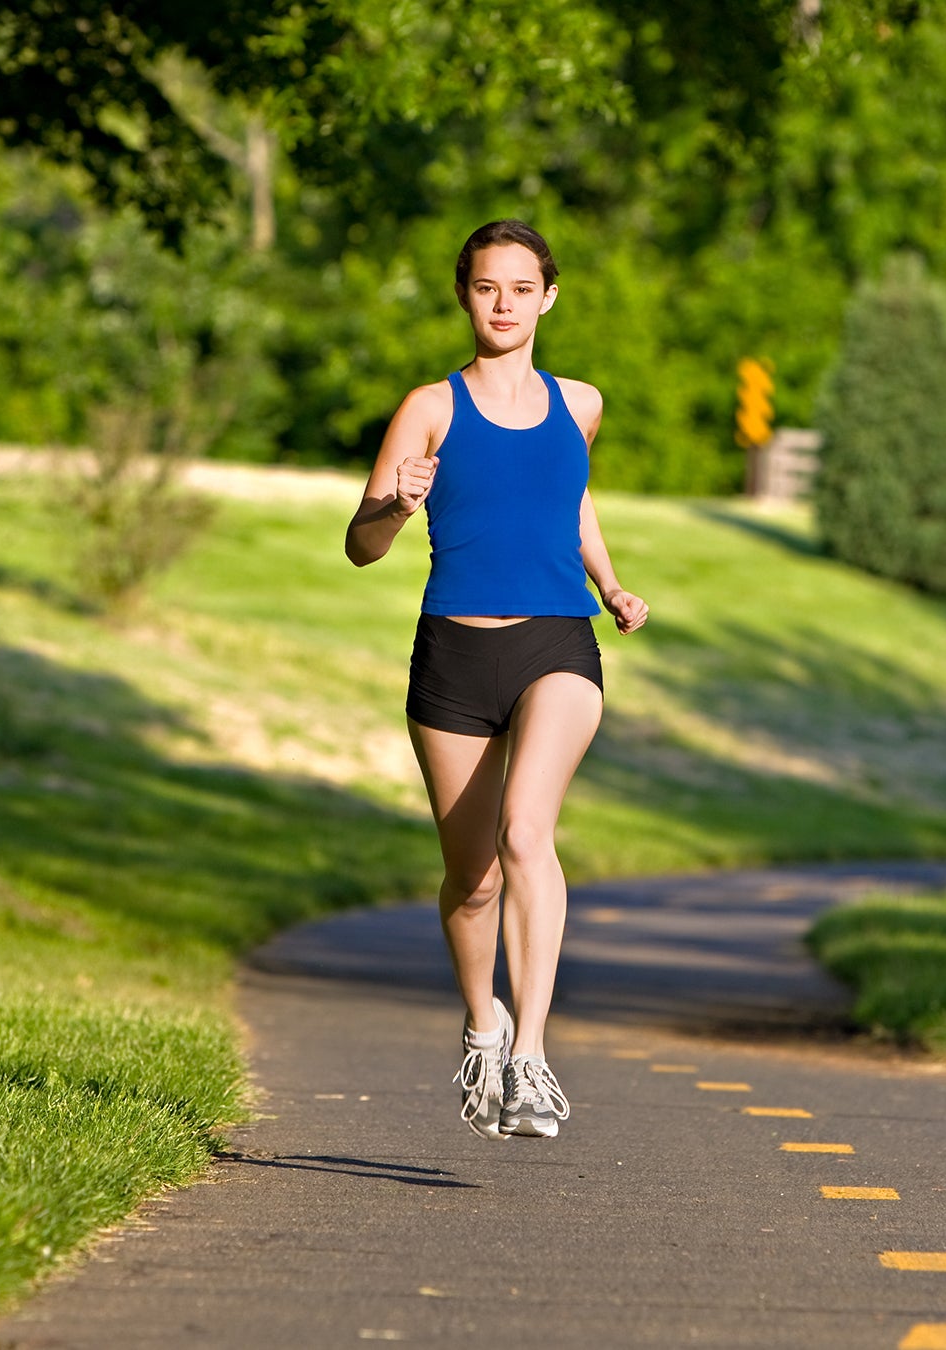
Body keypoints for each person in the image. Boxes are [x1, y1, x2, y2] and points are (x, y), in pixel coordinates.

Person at [343, 219, 648, 1140]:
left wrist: (608, 580)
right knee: (471, 879)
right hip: (453, 654)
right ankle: (485, 1025)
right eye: (487, 287)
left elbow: (572, 496)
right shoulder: (430, 407)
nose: (505, 303)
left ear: (548, 297)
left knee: (527, 832)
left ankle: (532, 1060)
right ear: (466, 297)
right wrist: (395, 507)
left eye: (522, 287)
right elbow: (359, 546)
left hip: (558, 641)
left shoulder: (582, 402)